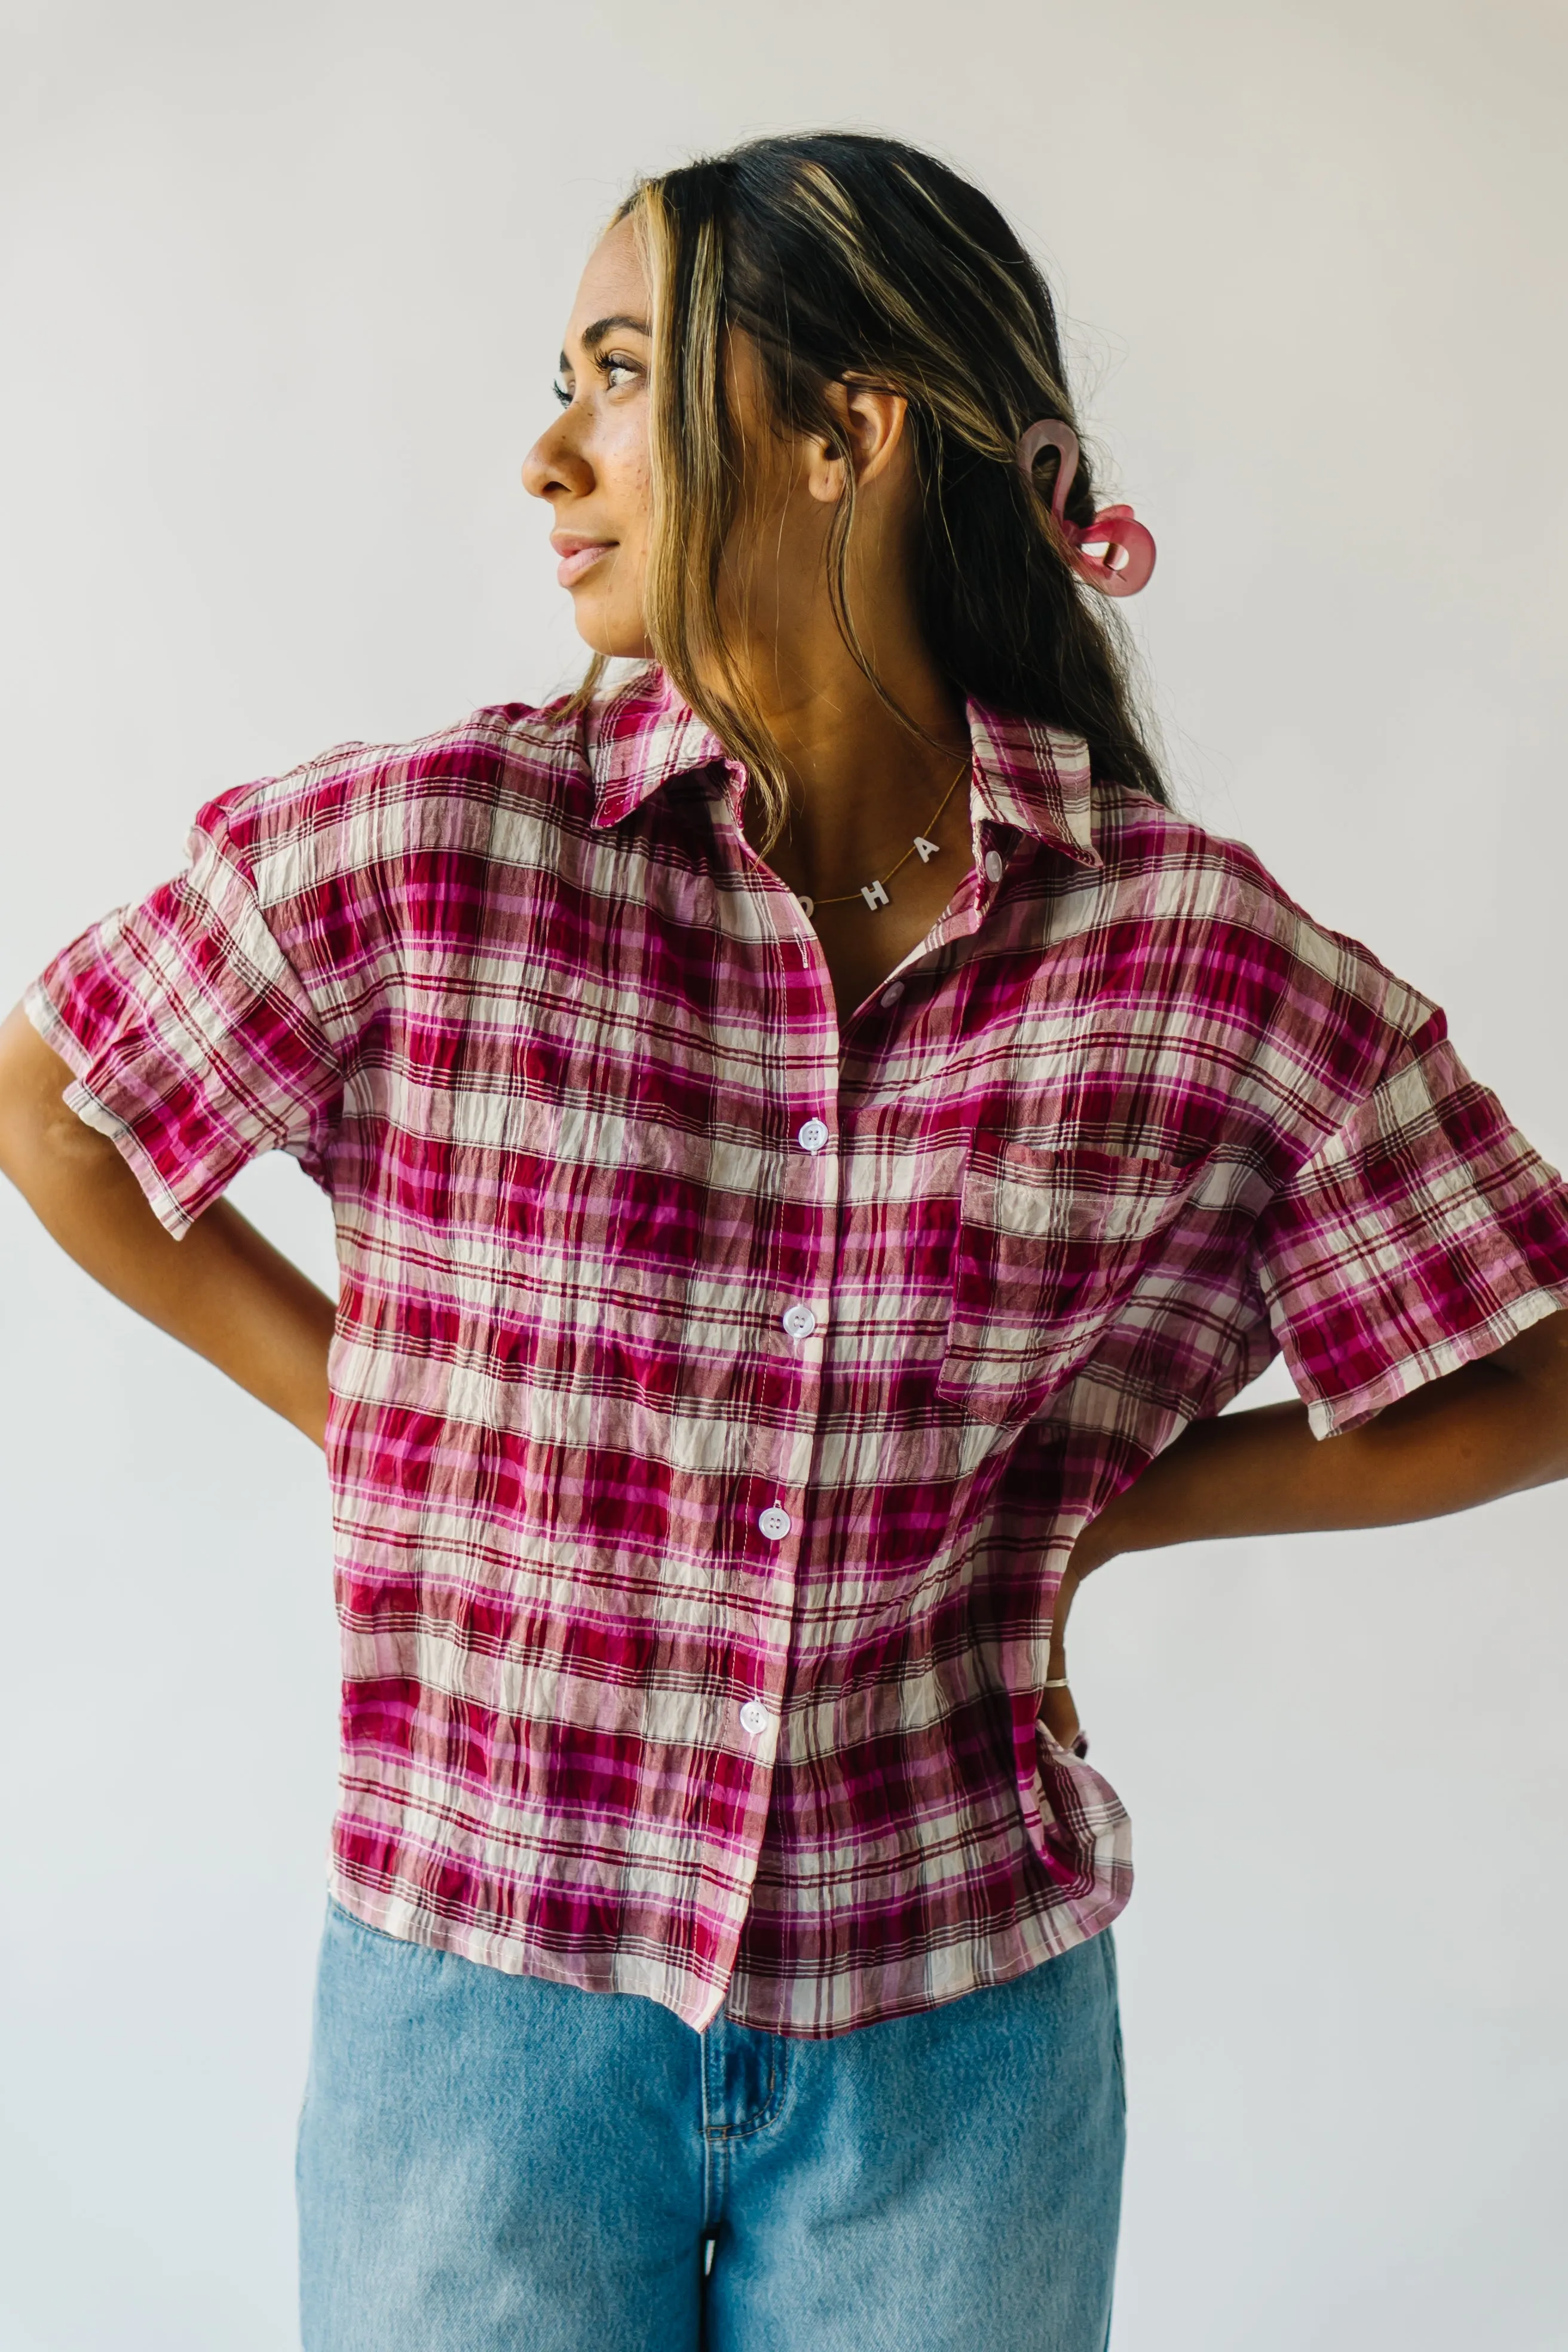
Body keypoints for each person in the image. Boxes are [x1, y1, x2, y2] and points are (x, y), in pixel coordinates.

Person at [1, 129, 1565, 2352]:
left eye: (622, 372)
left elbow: (1539, 1365)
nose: (551, 450)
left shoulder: (1180, 963)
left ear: (847, 431)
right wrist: (373, 1407)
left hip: (956, 2026)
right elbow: (55, 1102)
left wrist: (1103, 1517)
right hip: (480, 1998)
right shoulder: (447, 852)